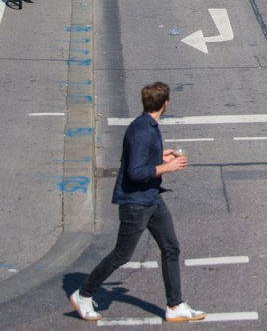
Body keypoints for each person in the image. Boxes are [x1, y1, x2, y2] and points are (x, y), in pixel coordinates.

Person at [70, 82, 205, 324]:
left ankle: (175, 305)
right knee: (121, 255)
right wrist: (168, 167)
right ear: (165, 104)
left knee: (171, 247)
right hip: (136, 203)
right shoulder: (143, 131)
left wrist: (160, 156)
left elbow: (139, 159)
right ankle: (84, 294)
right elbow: (135, 172)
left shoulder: (144, 125)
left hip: (151, 199)